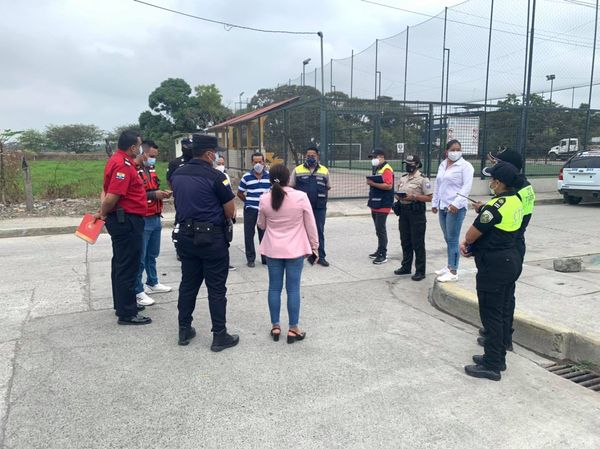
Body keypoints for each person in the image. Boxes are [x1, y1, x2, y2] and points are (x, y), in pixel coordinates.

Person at [170, 134, 239, 351]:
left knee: (188, 285)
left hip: (185, 237)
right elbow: (230, 210)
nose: (217, 156)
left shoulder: (177, 174)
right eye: (216, 153)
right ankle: (219, 335)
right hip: (212, 239)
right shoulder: (217, 177)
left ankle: (184, 329)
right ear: (209, 154)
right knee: (216, 289)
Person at [460, 161, 524, 381]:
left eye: (492, 179)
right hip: (511, 260)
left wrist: (469, 243)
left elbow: (471, 235)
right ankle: (498, 356)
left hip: (494, 267)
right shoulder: (516, 200)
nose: (490, 183)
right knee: (502, 311)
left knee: (491, 316)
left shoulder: (494, 207)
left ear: (499, 183)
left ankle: (492, 365)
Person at [476, 149, 536, 350]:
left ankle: (501, 339)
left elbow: (505, 213)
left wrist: (488, 213)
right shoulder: (525, 186)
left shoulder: (515, 190)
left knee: (501, 297)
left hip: (506, 244)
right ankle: (499, 336)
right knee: (505, 294)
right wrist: (486, 208)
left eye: (499, 163)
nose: (495, 168)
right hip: (514, 243)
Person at [94, 130, 151, 325]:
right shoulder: (122, 165)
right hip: (126, 221)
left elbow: (105, 190)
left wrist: (103, 211)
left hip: (124, 219)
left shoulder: (117, 160)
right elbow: (111, 196)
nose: (140, 149)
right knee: (128, 265)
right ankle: (127, 313)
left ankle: (123, 304)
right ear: (133, 147)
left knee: (121, 263)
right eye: (139, 145)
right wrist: (103, 212)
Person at [257, 164, 319, 344]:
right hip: (295, 250)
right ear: (288, 179)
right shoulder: (300, 197)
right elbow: (310, 224)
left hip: (273, 249)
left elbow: (261, 225)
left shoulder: (264, 198)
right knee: (293, 289)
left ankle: (275, 326)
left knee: (274, 288)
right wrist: (315, 247)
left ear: (270, 179)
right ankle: (293, 329)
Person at [134, 140, 173, 308]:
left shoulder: (150, 169)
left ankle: (153, 281)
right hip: (143, 217)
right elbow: (135, 194)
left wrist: (161, 193)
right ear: (142, 153)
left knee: (152, 254)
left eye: (155, 156)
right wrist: (153, 195)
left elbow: (152, 188)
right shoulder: (133, 170)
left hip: (156, 215)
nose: (153, 159)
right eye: (151, 156)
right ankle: (137, 290)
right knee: (140, 257)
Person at [431, 139, 474, 282]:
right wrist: (435, 203)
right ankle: (449, 265)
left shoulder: (465, 166)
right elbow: (438, 185)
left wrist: (456, 203)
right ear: (446, 151)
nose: (455, 152)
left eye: (458, 150)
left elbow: (466, 187)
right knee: (447, 238)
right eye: (453, 150)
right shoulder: (443, 164)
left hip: (455, 208)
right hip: (443, 206)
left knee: (453, 239)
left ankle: (453, 271)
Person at [393, 154, 433, 281]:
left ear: (417, 165)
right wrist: (398, 196)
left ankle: (420, 271)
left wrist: (414, 197)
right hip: (403, 212)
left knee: (418, 242)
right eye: (407, 164)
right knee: (405, 240)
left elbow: (430, 197)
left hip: (416, 213)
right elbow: (398, 192)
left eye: (411, 164)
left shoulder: (423, 180)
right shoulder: (403, 178)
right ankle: (406, 266)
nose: (408, 166)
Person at [290, 146, 331, 267]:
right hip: (301, 208)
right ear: (305, 156)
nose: (310, 158)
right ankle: (297, 256)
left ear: (318, 156)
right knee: (299, 231)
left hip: (319, 207)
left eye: (313, 156)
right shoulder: (297, 170)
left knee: (319, 231)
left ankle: (320, 257)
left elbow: (328, 186)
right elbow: (291, 186)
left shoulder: (324, 170)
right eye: (308, 156)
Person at [237, 152, 270, 267]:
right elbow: (240, 193)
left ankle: (265, 258)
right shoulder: (246, 177)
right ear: (252, 163)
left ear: (263, 162)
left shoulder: (269, 176)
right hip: (250, 209)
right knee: (249, 234)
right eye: (255, 162)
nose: (258, 164)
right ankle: (250, 259)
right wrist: (248, 202)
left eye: (260, 162)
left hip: (264, 210)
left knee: (264, 234)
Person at [367, 148, 394, 265]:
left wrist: (372, 183)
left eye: (375, 157)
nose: (373, 159)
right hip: (375, 203)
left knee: (381, 229)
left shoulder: (386, 169)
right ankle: (379, 250)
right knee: (378, 229)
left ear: (381, 157)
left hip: (383, 203)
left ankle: (383, 254)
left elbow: (388, 186)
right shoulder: (378, 168)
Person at [216, 154, 237, 271]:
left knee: (226, 238)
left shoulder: (225, 176)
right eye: (218, 164)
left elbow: (230, 194)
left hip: (225, 212)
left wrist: (234, 209)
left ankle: (225, 262)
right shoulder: (212, 176)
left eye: (222, 164)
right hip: (216, 212)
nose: (221, 166)